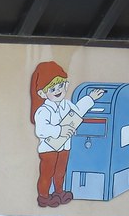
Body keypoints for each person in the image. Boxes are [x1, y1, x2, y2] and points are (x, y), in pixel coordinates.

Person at [30, 61, 105, 207]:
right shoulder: (43, 111)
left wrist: (91, 98)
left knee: (60, 172)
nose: (57, 90)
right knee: (47, 174)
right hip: (49, 149)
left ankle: (59, 192)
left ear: (65, 85)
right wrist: (60, 130)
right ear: (42, 93)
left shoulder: (67, 105)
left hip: (64, 146)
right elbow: (41, 130)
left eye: (60, 85)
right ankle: (44, 197)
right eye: (52, 88)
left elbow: (77, 111)